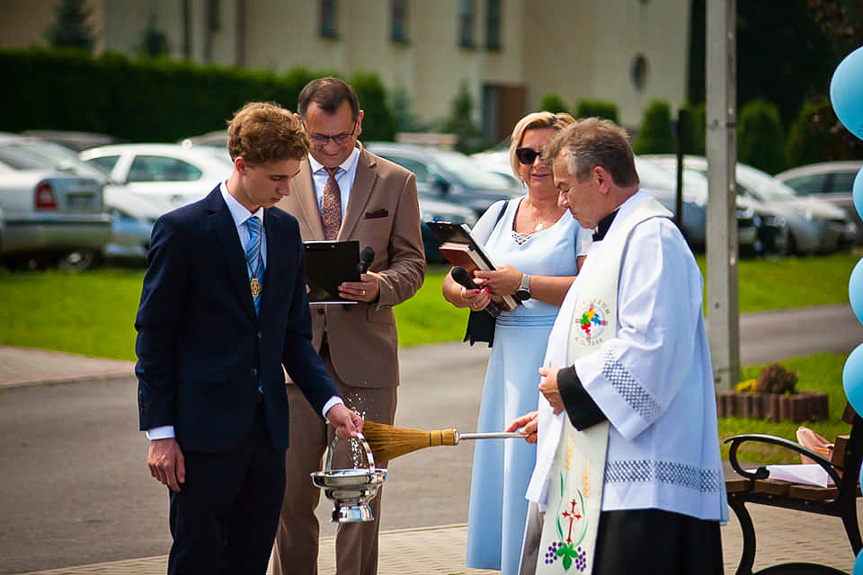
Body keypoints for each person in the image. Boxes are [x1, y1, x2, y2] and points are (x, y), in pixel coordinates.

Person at [136, 101, 363, 575]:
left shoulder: (284, 232)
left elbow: (293, 337)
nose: (287, 190)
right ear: (242, 165)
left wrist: (330, 403)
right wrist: (161, 434)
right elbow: (154, 340)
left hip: (267, 435)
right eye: (277, 179)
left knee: (250, 559)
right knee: (198, 558)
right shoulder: (183, 231)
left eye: (291, 178)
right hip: (201, 435)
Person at [506, 117, 727, 575]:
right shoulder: (616, 239)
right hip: (601, 465)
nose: (562, 202)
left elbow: (652, 348)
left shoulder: (654, 239)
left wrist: (569, 388)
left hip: (642, 482)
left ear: (601, 179)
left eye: (566, 188)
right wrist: (555, 412)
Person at [273, 77, 425, 575]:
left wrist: (379, 286)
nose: (332, 148)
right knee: (290, 497)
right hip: (293, 365)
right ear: (301, 127)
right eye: (320, 138)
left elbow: (413, 264)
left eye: (342, 137)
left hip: (367, 365)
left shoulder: (396, 181)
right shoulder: (282, 179)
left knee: (361, 502)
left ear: (359, 124)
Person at [441, 111, 587, 574]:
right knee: (507, 460)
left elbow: (590, 288)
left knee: (540, 461)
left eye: (547, 153)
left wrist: (522, 281)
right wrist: (467, 294)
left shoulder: (579, 215)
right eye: (527, 154)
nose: (537, 164)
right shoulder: (500, 213)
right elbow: (450, 279)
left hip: (554, 351)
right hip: (506, 353)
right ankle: (508, 559)